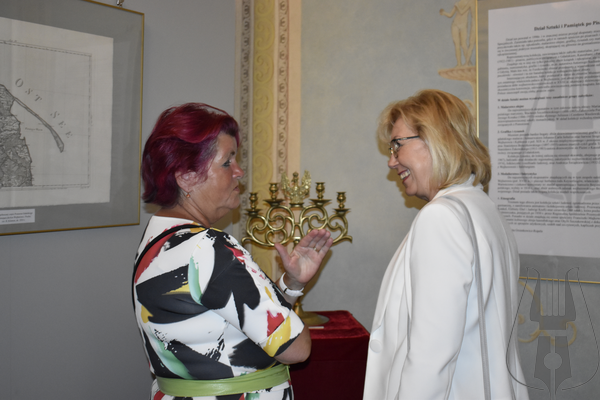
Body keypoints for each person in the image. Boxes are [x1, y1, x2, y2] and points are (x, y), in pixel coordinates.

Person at [133, 103, 333, 400]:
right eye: (227, 162)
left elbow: (222, 323)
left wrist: (290, 285)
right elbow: (297, 348)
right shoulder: (209, 247)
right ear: (186, 176)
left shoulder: (156, 239)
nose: (239, 172)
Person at [363, 90, 529, 400]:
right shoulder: (484, 209)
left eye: (397, 145)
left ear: (435, 139)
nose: (391, 161)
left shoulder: (440, 217)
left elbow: (431, 358)